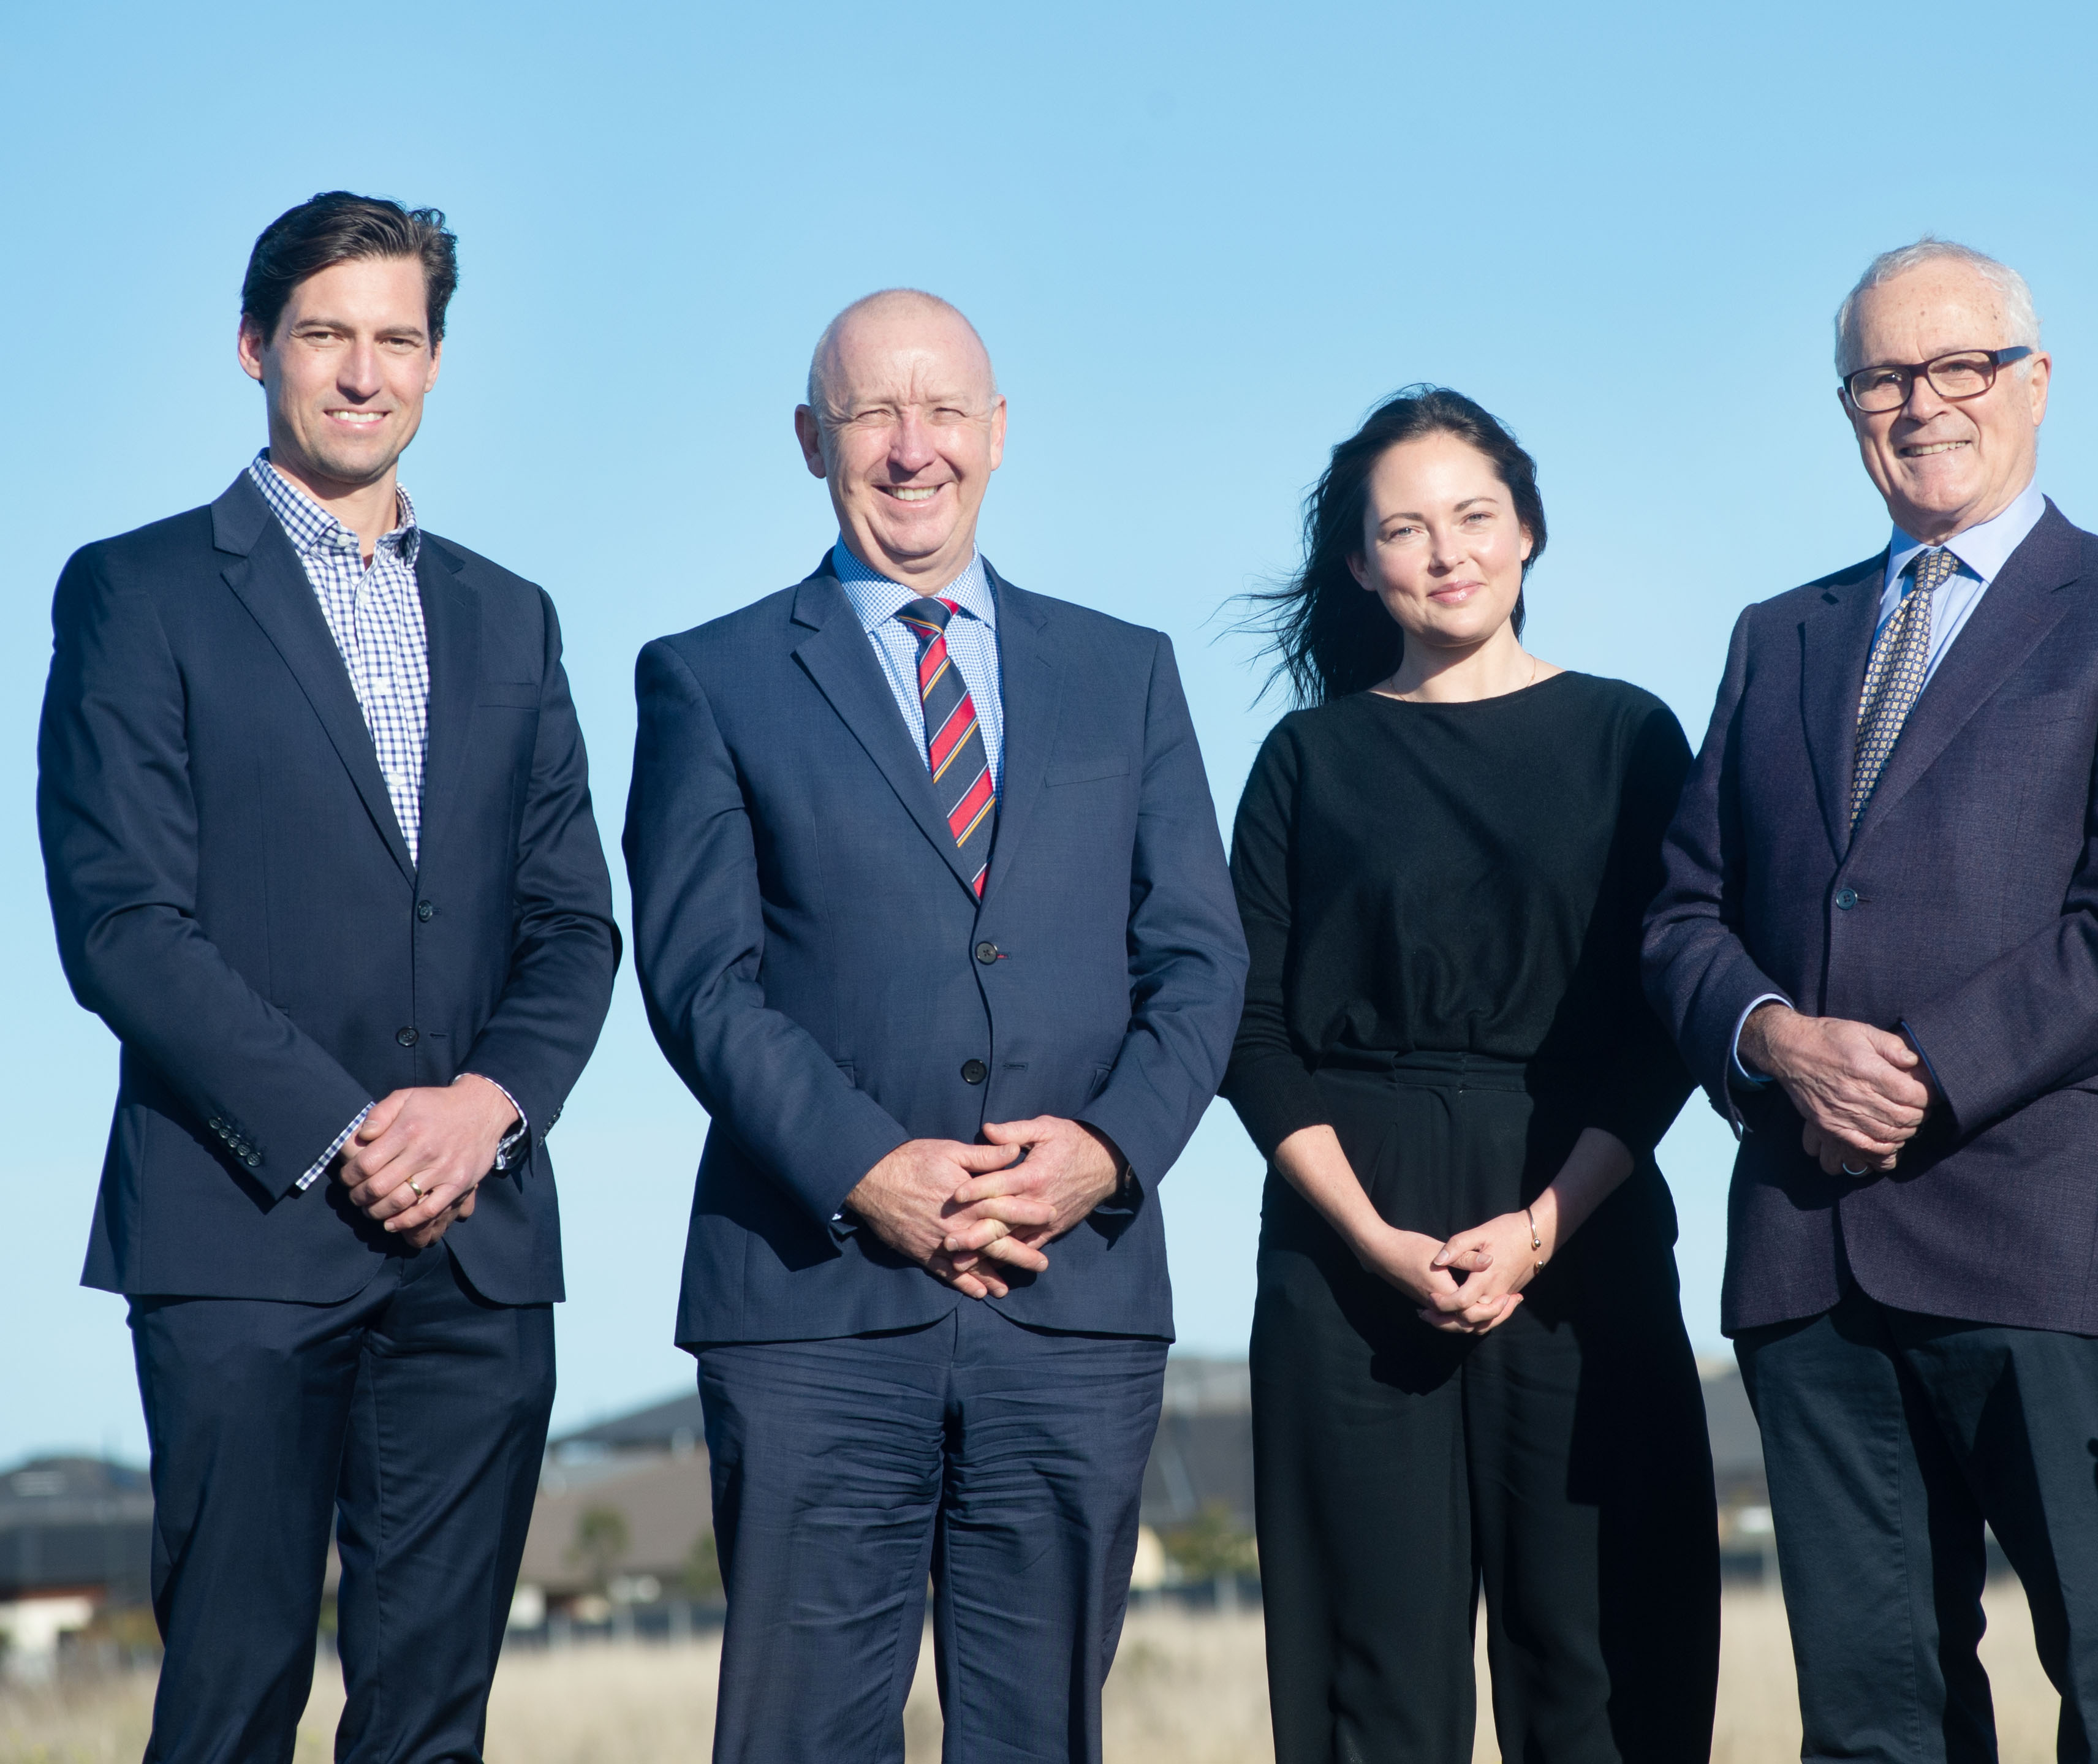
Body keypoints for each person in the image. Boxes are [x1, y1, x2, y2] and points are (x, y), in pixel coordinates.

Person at [623, 289, 1247, 1764]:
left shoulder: (1127, 671)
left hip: (1070, 1297)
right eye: (870, 417)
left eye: (944, 412)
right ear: (808, 441)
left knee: (1038, 1736)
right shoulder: (706, 678)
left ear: (998, 433)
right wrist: (870, 1170)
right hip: (813, 1299)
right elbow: (701, 982)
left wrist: (1105, 1152)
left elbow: (1199, 962)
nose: (913, 450)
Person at [36, 191, 619, 1761]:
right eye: (326, 334)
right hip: (243, 1236)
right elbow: (119, 923)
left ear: (434, 364)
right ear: (255, 349)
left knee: (432, 1722)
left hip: (477, 1254)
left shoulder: (512, 616)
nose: (363, 370)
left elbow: (574, 924)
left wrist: (481, 1109)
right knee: (229, 1705)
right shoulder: (135, 593)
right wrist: (354, 1129)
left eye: (397, 338)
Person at [1642, 239, 2098, 1762]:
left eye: (1957, 365)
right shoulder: (1775, 635)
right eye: (1880, 377)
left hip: (2047, 1242)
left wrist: (1912, 1071)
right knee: (1869, 1713)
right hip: (1806, 1254)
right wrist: (1773, 1042)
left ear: (2033, 382)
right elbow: (1682, 916)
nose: (1920, 403)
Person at [1224, 387, 1721, 1764]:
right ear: (1358, 565)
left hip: (1582, 1221)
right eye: (1404, 528)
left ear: (1528, 532)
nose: (1445, 551)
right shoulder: (1305, 761)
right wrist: (1372, 1240)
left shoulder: (1630, 738)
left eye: (1472, 516)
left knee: (1604, 1675)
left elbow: (1662, 1017)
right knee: (1373, 1694)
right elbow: (1246, 1032)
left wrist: (1547, 1225)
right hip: (1345, 1249)